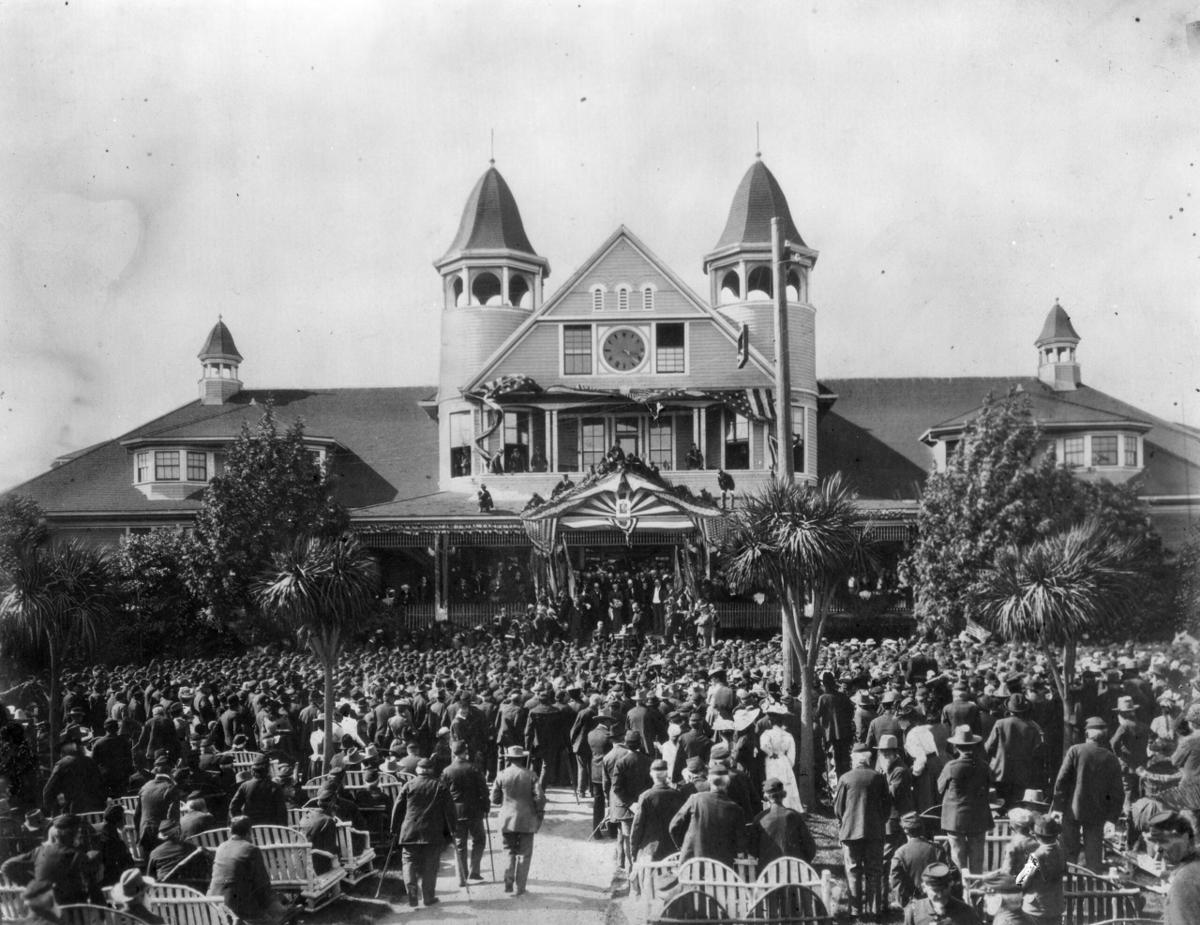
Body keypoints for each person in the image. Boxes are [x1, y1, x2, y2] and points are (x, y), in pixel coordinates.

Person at [1052, 715, 1123, 871]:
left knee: (1069, 851)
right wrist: (1112, 818)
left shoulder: (1075, 751)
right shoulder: (1111, 758)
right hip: (1097, 813)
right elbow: (1118, 792)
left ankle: (1067, 884)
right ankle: (1094, 883)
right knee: (1094, 853)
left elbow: (1061, 781)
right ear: (1104, 735)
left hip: (1072, 809)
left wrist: (1057, 807)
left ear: (1087, 734)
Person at [834, 743, 891, 916]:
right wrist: (880, 821)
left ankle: (855, 910)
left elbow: (838, 808)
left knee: (853, 870)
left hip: (851, 831)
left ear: (854, 759)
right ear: (868, 759)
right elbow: (887, 806)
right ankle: (874, 910)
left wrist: (843, 822)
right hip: (874, 831)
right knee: (874, 870)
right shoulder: (879, 778)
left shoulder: (845, 778)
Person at [391, 757, 454, 908]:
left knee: (409, 861)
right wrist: (451, 830)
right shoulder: (440, 786)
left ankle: (411, 890)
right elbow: (450, 811)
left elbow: (397, 808)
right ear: (431, 770)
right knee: (430, 864)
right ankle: (428, 897)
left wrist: (394, 829)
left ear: (418, 771)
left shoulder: (408, 785)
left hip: (410, 831)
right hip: (432, 833)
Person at [208, 815, 288, 925]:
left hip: (216, 904)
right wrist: (278, 907)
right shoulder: (251, 849)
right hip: (240, 908)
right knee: (275, 918)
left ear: (231, 831)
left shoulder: (221, 847)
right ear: (249, 832)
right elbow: (262, 886)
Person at [668, 763, 748, 868]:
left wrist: (684, 847)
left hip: (691, 868)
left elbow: (674, 826)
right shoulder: (736, 809)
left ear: (709, 781)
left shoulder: (695, 799)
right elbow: (741, 849)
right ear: (727, 783)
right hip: (721, 872)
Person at [491, 745, 546, 896]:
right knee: (524, 854)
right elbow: (540, 798)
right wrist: (539, 812)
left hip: (506, 820)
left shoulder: (501, 774)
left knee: (508, 851)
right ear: (522, 758)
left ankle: (508, 882)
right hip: (526, 820)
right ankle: (520, 888)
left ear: (508, 759)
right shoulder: (531, 775)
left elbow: (494, 799)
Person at [938, 724, 993, 874]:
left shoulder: (951, 766)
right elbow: (988, 788)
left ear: (956, 746)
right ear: (974, 746)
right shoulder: (984, 766)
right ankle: (975, 893)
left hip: (954, 817)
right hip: (978, 816)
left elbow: (940, 788)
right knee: (977, 859)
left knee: (958, 858)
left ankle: (961, 890)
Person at [441, 741, 489, 884]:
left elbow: (443, 794)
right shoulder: (474, 768)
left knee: (460, 844)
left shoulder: (447, 771)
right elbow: (484, 791)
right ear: (465, 752)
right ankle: (474, 871)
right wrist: (486, 807)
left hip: (456, 812)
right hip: (474, 811)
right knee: (479, 840)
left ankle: (462, 877)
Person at [604, 729, 652, 870]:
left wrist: (630, 803)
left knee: (627, 839)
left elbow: (616, 788)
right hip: (644, 807)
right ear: (640, 743)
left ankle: (630, 871)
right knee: (641, 839)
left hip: (626, 809)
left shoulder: (621, 763)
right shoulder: (648, 761)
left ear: (626, 743)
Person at [985, 694, 1044, 810]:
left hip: (1000, 771)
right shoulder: (1033, 726)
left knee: (999, 805)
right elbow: (1037, 751)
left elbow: (988, 747)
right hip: (1022, 773)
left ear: (1009, 709)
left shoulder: (1000, 723)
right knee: (1016, 806)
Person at [1145, 810, 1200, 925]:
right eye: (1155, 842)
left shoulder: (1185, 880)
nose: (1158, 850)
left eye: (1163, 841)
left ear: (1185, 838)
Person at [750, 777, 816, 866]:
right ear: (783, 795)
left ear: (766, 796)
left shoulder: (760, 818)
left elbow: (752, 850)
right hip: (795, 872)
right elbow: (810, 848)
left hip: (768, 874)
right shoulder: (795, 816)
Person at [630, 759, 685, 862]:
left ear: (651, 775)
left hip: (650, 851)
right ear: (667, 775)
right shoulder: (677, 795)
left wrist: (633, 851)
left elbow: (637, 826)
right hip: (673, 852)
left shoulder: (646, 796)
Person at [1014, 815, 1065, 925]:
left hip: (1035, 909)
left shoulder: (1037, 856)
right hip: (1055, 908)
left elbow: (1022, 882)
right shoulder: (1060, 851)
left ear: (1036, 836)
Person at [889, 812, 941, 910]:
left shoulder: (900, 853)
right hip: (937, 900)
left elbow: (896, 881)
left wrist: (904, 903)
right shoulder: (937, 849)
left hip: (913, 904)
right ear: (922, 828)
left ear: (905, 830)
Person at [902, 862, 981, 925]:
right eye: (935, 890)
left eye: (944, 889)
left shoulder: (966, 913)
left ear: (950, 885)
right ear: (924, 888)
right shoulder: (914, 911)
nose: (940, 895)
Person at [759, 706, 801, 812]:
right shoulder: (788, 735)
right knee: (787, 783)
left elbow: (763, 746)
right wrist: (788, 764)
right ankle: (789, 807)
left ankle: (772, 806)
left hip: (772, 760)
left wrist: (771, 753)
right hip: (784, 760)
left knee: (772, 781)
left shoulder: (767, 734)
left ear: (770, 722)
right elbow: (792, 755)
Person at [228, 755, 287, 827]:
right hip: (271, 830)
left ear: (253, 770)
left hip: (250, 830)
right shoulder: (275, 787)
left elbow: (233, 807)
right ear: (268, 770)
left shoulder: (245, 786)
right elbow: (282, 813)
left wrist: (242, 824)